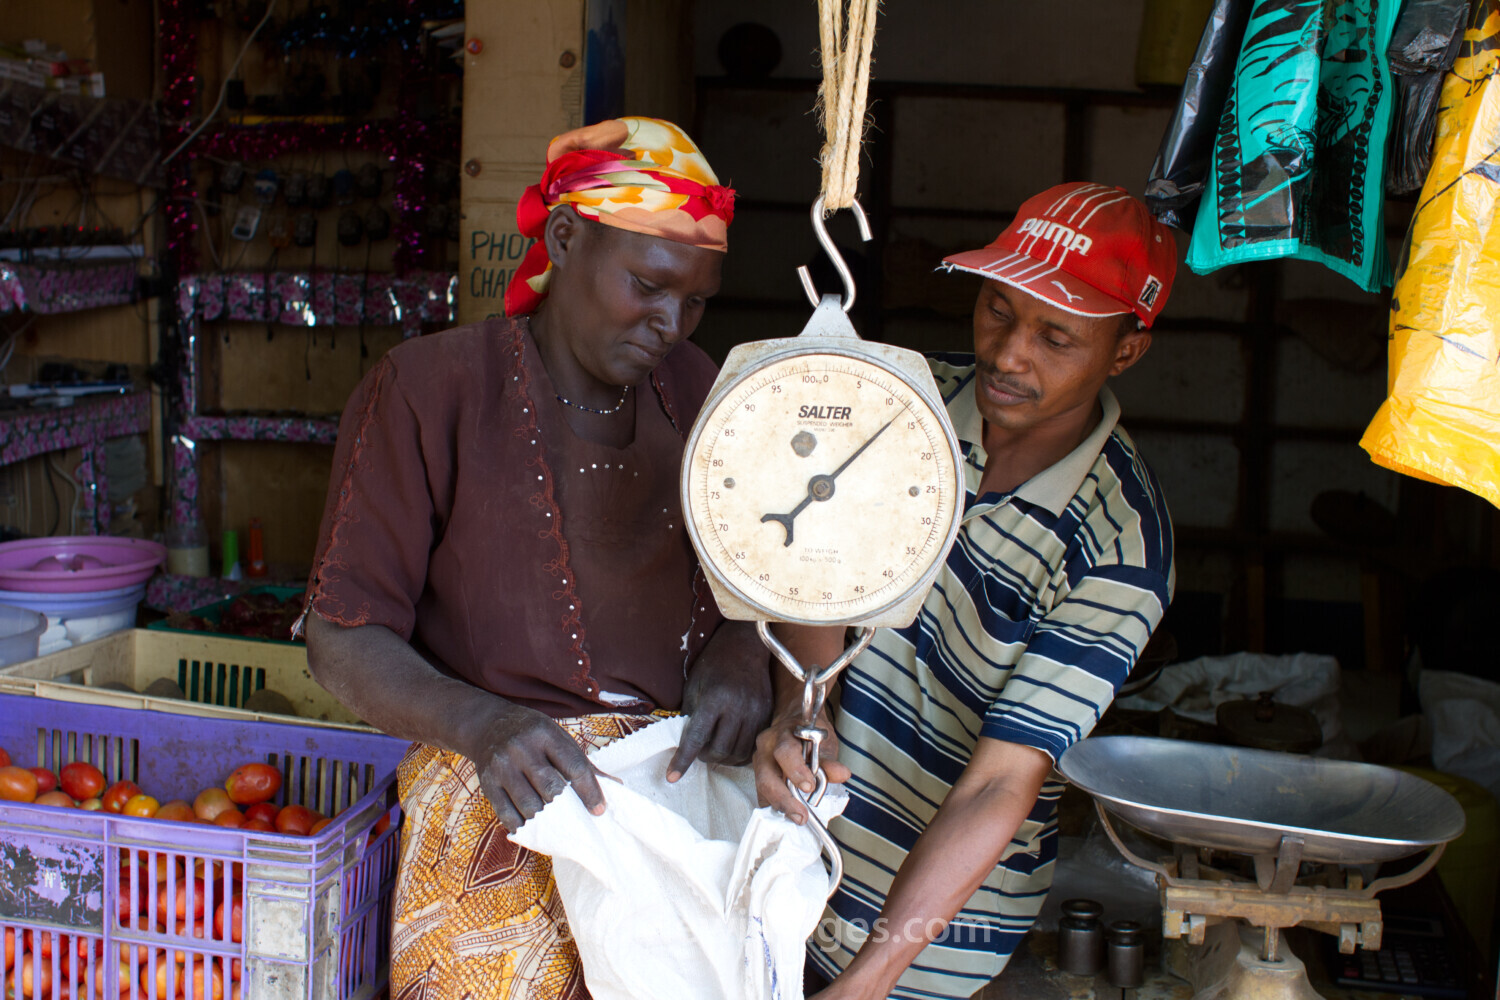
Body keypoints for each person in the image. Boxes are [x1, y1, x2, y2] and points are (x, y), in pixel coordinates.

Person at [300, 116, 773, 1000]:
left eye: (697, 300)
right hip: (498, 812)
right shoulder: (428, 389)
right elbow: (341, 638)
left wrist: (744, 646)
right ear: (564, 238)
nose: (672, 322)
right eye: (648, 285)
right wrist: (485, 726)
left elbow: (770, 573)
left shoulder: (709, 393)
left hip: (675, 817)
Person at [754, 182, 1177, 1000]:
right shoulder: (901, 410)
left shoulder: (1122, 545)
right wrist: (798, 717)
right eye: (996, 311)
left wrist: (872, 978)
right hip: (788, 849)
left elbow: (999, 783)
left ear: (1124, 351)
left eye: (1055, 337)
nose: (1009, 354)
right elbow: (814, 580)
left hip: (931, 935)